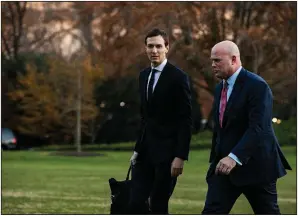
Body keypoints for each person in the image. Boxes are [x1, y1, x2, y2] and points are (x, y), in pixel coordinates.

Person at [202, 40, 292, 214]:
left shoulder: (257, 86)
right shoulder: (218, 88)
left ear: (234, 59)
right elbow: (221, 129)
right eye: (212, 60)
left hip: (257, 167)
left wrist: (234, 157)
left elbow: (259, 128)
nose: (213, 65)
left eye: (217, 60)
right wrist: (215, 163)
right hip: (224, 169)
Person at [128, 28, 192, 214]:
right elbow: (145, 117)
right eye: (150, 46)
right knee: (135, 203)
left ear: (167, 47)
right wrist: (137, 149)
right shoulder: (143, 76)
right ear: (145, 48)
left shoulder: (178, 77)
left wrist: (180, 156)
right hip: (145, 152)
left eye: (158, 46)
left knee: (158, 205)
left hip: (168, 155)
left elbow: (186, 119)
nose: (154, 50)